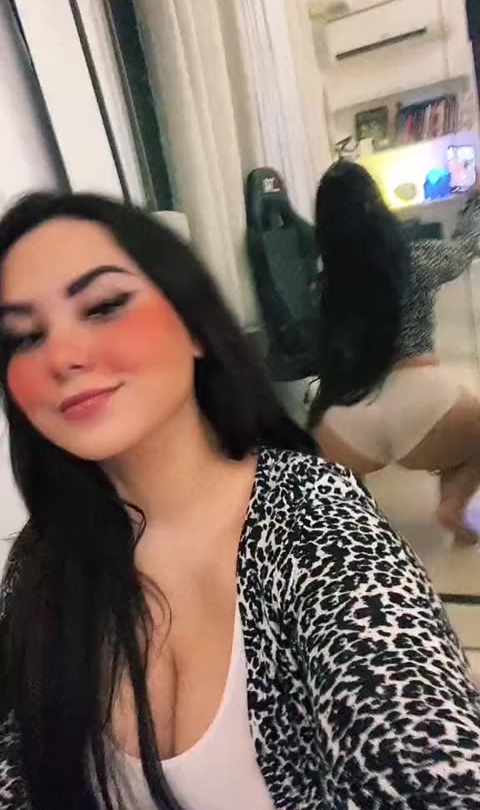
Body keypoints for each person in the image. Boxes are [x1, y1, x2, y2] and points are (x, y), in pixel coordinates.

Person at [0, 192, 478, 810]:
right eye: (22, 338)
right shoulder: (43, 559)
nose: (62, 357)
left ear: (195, 325)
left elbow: (420, 752)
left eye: (105, 306)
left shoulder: (317, 526)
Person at [310, 160, 480, 543]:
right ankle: (453, 501)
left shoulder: (325, 287)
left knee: (338, 478)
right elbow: (469, 244)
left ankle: (360, 521)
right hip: (424, 402)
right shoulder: (416, 260)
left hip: (348, 418)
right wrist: (475, 203)